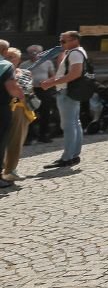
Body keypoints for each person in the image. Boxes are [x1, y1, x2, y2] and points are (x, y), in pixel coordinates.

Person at [38, 31, 89, 169]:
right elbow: (65, 72)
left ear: (74, 40)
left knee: (68, 125)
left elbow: (75, 73)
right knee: (75, 123)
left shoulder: (75, 53)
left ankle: (67, 158)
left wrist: (51, 83)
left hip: (67, 92)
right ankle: (73, 155)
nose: (61, 44)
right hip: (71, 91)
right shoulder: (75, 52)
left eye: (63, 41)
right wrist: (51, 81)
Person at [3, 45, 33, 184]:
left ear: (19, 59)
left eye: (12, 57)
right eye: (7, 57)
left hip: (20, 109)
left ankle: (10, 170)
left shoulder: (25, 73)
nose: (9, 59)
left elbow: (27, 91)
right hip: (5, 107)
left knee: (16, 140)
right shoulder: (3, 71)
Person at [20, 44, 54, 144]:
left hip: (44, 90)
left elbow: (53, 76)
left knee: (45, 113)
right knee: (30, 113)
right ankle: (29, 137)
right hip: (30, 91)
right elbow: (21, 78)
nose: (34, 54)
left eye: (36, 52)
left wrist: (47, 82)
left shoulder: (47, 62)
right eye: (31, 52)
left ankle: (44, 136)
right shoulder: (24, 65)